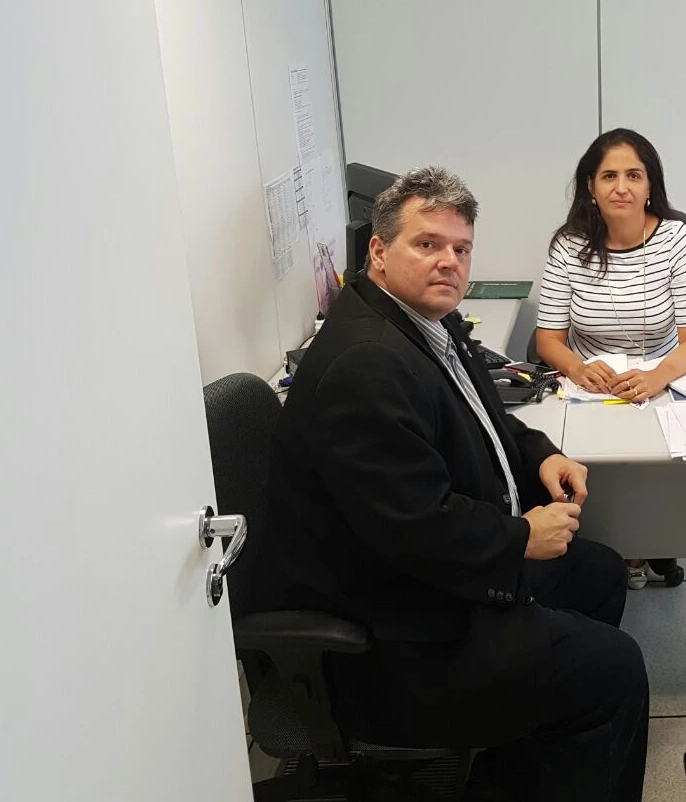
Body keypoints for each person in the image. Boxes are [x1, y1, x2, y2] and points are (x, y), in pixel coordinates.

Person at [266, 167, 648, 802]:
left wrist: (541, 455)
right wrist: (520, 537)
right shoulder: (367, 365)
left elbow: (487, 417)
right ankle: (531, 718)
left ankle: (522, 750)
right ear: (379, 251)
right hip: (392, 638)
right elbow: (415, 527)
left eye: (461, 249)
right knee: (614, 670)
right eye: (427, 244)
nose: (449, 261)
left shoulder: (422, 323)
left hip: (430, 577)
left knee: (599, 572)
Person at [535, 128, 686, 588]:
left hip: (663, 382)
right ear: (590, 187)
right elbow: (548, 339)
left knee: (659, 472)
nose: (621, 187)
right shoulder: (568, 245)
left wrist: (657, 377)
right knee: (596, 471)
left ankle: (648, 539)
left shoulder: (676, 239)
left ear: (650, 184)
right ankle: (612, 546)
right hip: (592, 389)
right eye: (609, 176)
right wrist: (577, 367)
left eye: (634, 175)